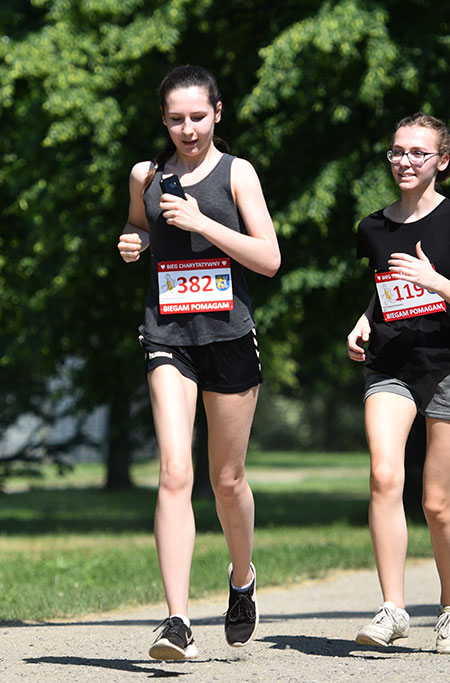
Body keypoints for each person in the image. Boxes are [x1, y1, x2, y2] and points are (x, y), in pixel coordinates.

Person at [117, 65, 280, 660]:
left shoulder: (238, 173)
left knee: (226, 480)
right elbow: (138, 226)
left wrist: (202, 222)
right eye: (175, 119)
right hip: (168, 336)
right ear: (163, 120)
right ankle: (177, 621)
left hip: (229, 335)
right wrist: (133, 241)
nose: (187, 129)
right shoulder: (145, 175)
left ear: (217, 113)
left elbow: (269, 259)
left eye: (197, 117)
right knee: (174, 471)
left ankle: (242, 578)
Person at [346, 112, 450, 654]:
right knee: (384, 476)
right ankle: (392, 608)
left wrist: (436, 280)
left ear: (442, 161)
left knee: (437, 503)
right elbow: (387, 288)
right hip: (390, 364)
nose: (405, 161)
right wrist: (365, 319)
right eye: (397, 151)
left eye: (418, 152)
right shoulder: (373, 227)